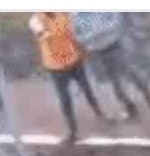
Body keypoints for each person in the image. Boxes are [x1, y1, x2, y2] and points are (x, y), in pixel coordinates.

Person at [29, 12, 109, 144]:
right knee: (65, 99)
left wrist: (80, 47)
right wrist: (66, 33)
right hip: (56, 65)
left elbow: (74, 33)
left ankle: (100, 114)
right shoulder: (36, 20)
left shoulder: (63, 13)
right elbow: (45, 35)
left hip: (73, 60)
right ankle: (72, 131)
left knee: (87, 89)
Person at [71, 12, 150, 121]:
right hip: (99, 52)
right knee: (115, 82)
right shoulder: (77, 16)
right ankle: (130, 108)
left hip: (115, 46)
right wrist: (94, 36)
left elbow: (116, 21)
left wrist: (96, 34)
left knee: (130, 73)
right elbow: (77, 37)